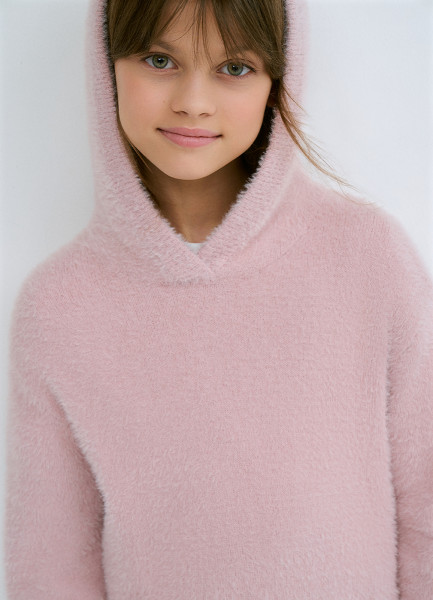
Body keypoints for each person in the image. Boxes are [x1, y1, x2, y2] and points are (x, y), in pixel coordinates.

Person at [3, 0, 433, 597]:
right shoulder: (57, 306)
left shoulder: (369, 256)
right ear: (106, 63)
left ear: (278, 78)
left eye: (235, 68)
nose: (194, 102)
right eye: (160, 60)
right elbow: (50, 567)